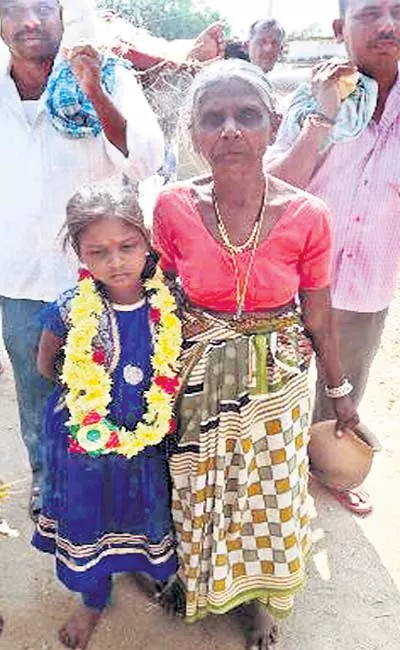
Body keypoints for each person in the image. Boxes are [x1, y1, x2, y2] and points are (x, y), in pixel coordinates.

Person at [153, 59, 358, 649]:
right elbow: (162, 295)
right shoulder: (170, 206)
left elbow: (318, 314)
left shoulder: (307, 214)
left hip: (280, 376)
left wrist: (339, 395)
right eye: (212, 118)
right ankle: (194, 576)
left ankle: (260, 603)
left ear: (273, 124)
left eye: (246, 115)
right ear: (193, 134)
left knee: (268, 493)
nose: (230, 130)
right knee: (195, 486)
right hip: (195, 368)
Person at [0, 0, 164, 521]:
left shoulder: (105, 71)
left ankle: (121, 502)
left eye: (44, 6)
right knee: (38, 397)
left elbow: (146, 158)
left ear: (64, 14)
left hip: (103, 279)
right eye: (13, 9)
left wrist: (92, 87)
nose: (30, 20)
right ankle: (52, 489)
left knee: (121, 395)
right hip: (19, 280)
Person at [32, 175, 180, 650]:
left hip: (147, 437)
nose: (115, 261)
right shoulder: (72, 307)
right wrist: (89, 398)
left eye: (127, 246)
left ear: (147, 243)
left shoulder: (169, 302)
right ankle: (93, 597)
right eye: (98, 251)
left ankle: (142, 568)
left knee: (142, 506)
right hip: (84, 442)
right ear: (80, 254)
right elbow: (44, 362)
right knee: (89, 515)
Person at [265, 0, 400, 516]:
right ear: (341, 29)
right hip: (296, 279)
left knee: (345, 383)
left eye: (396, 11)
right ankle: (272, 472)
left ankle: (328, 466)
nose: (387, 24)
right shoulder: (316, 94)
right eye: (370, 13)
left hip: (370, 276)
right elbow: (280, 182)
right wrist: (323, 115)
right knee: (274, 379)